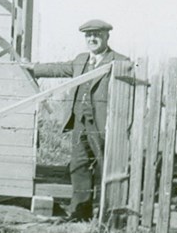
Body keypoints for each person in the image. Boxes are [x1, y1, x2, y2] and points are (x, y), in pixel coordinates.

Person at [23, 19, 130, 222]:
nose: (92, 39)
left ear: (107, 36)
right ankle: (80, 212)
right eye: (89, 35)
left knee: (104, 167)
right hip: (79, 123)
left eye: (97, 35)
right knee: (78, 165)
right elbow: (59, 68)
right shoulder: (81, 59)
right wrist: (33, 68)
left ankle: (107, 213)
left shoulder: (120, 61)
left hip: (103, 124)